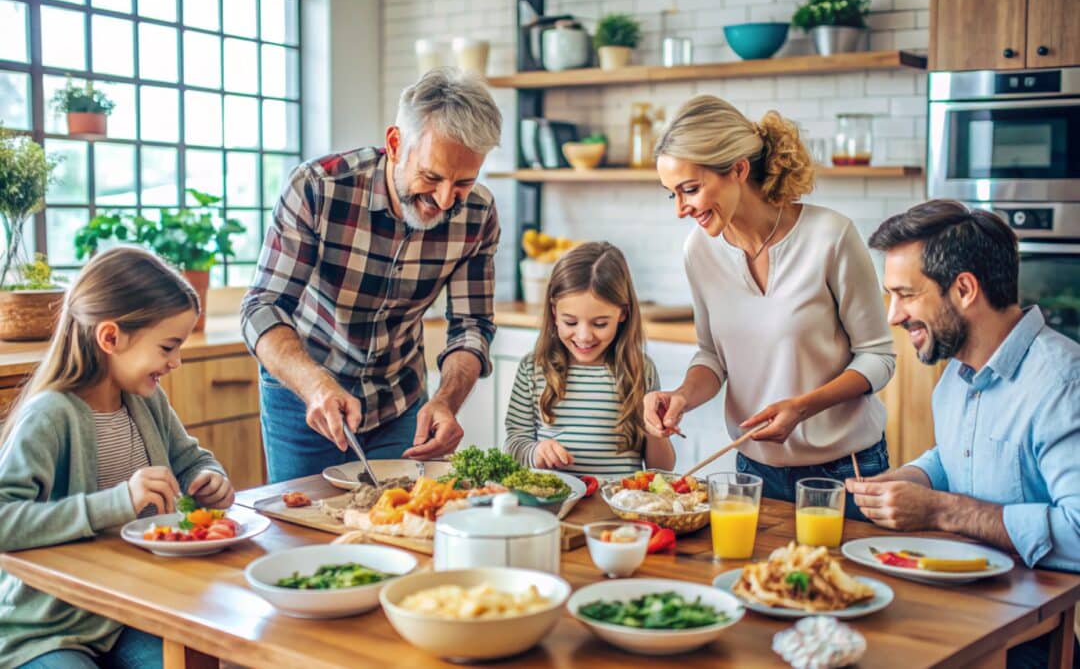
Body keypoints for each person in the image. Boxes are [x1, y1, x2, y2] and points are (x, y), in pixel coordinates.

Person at [240, 67, 503, 483]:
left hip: (400, 403)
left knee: (403, 526)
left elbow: (472, 325)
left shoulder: (478, 215)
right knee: (304, 528)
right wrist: (315, 385)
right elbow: (262, 306)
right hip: (304, 397)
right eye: (432, 177)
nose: (444, 199)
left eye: (463, 183)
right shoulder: (319, 188)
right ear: (396, 144)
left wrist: (447, 400)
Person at [644, 95, 895, 516]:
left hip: (845, 474)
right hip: (752, 474)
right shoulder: (699, 252)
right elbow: (712, 356)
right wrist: (683, 395)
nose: (681, 210)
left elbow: (878, 357)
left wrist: (803, 407)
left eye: (690, 189)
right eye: (672, 195)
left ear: (738, 169)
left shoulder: (830, 236)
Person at [0, 246, 234, 669]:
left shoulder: (146, 400)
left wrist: (209, 477)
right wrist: (117, 502)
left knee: (198, 655)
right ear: (110, 338)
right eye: (167, 347)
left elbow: (192, 460)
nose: (176, 361)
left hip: (128, 610)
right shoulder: (50, 415)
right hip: (47, 629)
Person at [848, 200, 1079, 570]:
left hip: (1028, 618)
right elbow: (962, 456)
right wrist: (912, 479)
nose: (893, 316)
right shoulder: (956, 376)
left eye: (906, 295)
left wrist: (941, 511)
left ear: (965, 289)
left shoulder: (1064, 385)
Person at [503, 242, 675, 474]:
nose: (584, 337)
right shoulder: (533, 368)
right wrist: (537, 452)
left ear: (623, 313)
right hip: (558, 506)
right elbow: (513, 446)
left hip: (618, 507)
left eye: (600, 323)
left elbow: (662, 468)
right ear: (554, 312)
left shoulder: (640, 370)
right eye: (570, 322)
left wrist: (656, 430)